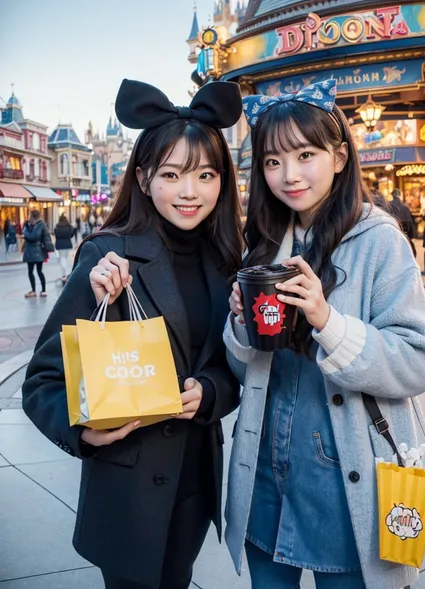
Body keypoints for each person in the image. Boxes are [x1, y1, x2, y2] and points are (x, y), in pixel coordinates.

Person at [22, 79, 243, 589]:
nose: (191, 191)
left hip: (195, 481)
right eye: (173, 174)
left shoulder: (227, 260)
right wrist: (81, 432)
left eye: (206, 175)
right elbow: (42, 382)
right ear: (143, 179)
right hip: (127, 490)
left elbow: (234, 365)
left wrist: (210, 393)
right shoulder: (108, 257)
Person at [224, 81, 425, 589]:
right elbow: (244, 368)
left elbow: (419, 362)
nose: (289, 175)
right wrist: (240, 325)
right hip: (265, 473)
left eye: (305, 155)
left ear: (340, 156)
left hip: (347, 477)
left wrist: (329, 322)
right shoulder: (262, 242)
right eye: (273, 162)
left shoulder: (379, 241)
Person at [23, 210, 50, 298]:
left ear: (32, 216)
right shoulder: (31, 225)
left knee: (38, 271)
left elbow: (33, 236)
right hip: (32, 252)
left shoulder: (39, 224)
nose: (28, 217)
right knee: (31, 272)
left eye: (29, 215)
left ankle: (43, 290)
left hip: (36, 251)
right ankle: (34, 290)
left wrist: (25, 232)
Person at [390, 189, 416, 257]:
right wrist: (411, 236)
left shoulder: (388, 206)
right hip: (403, 236)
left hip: (391, 236)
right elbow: (410, 223)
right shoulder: (405, 208)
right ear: (399, 196)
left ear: (392, 196)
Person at [54, 214, 75, 282]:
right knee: (66, 258)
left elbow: (56, 235)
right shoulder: (69, 227)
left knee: (62, 258)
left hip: (60, 245)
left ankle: (65, 273)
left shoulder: (57, 227)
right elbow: (72, 234)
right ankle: (66, 273)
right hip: (68, 244)